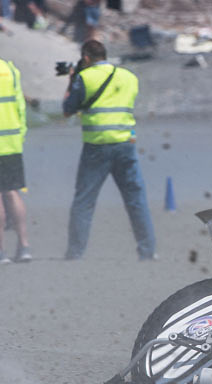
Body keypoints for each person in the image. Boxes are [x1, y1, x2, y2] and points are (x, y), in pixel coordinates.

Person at [62, 40, 156, 261]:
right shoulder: (129, 77)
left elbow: (67, 110)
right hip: (125, 144)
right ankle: (148, 250)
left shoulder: (85, 78)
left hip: (97, 146)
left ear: (86, 58)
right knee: (136, 199)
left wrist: (72, 80)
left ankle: (75, 252)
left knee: (84, 200)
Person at [0, 57, 31, 264]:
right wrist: (20, 136)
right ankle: (24, 246)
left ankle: (1, 251)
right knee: (12, 192)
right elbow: (20, 106)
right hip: (11, 141)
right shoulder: (9, 69)